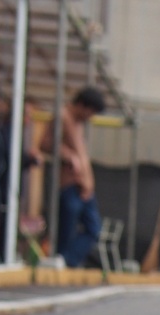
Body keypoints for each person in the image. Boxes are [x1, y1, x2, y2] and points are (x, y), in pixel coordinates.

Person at [41, 87, 106, 269]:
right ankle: (62, 259)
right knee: (66, 228)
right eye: (91, 111)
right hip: (70, 184)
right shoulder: (62, 117)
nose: (90, 117)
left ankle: (67, 260)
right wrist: (69, 156)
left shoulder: (79, 124)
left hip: (84, 186)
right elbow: (45, 143)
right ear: (82, 105)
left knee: (93, 228)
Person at [0, 100, 40, 257]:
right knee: (5, 225)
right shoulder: (6, 132)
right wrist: (30, 159)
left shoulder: (15, 134)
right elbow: (11, 160)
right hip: (3, 188)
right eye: (27, 115)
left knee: (8, 226)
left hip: (10, 188)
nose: (29, 119)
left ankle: (2, 256)